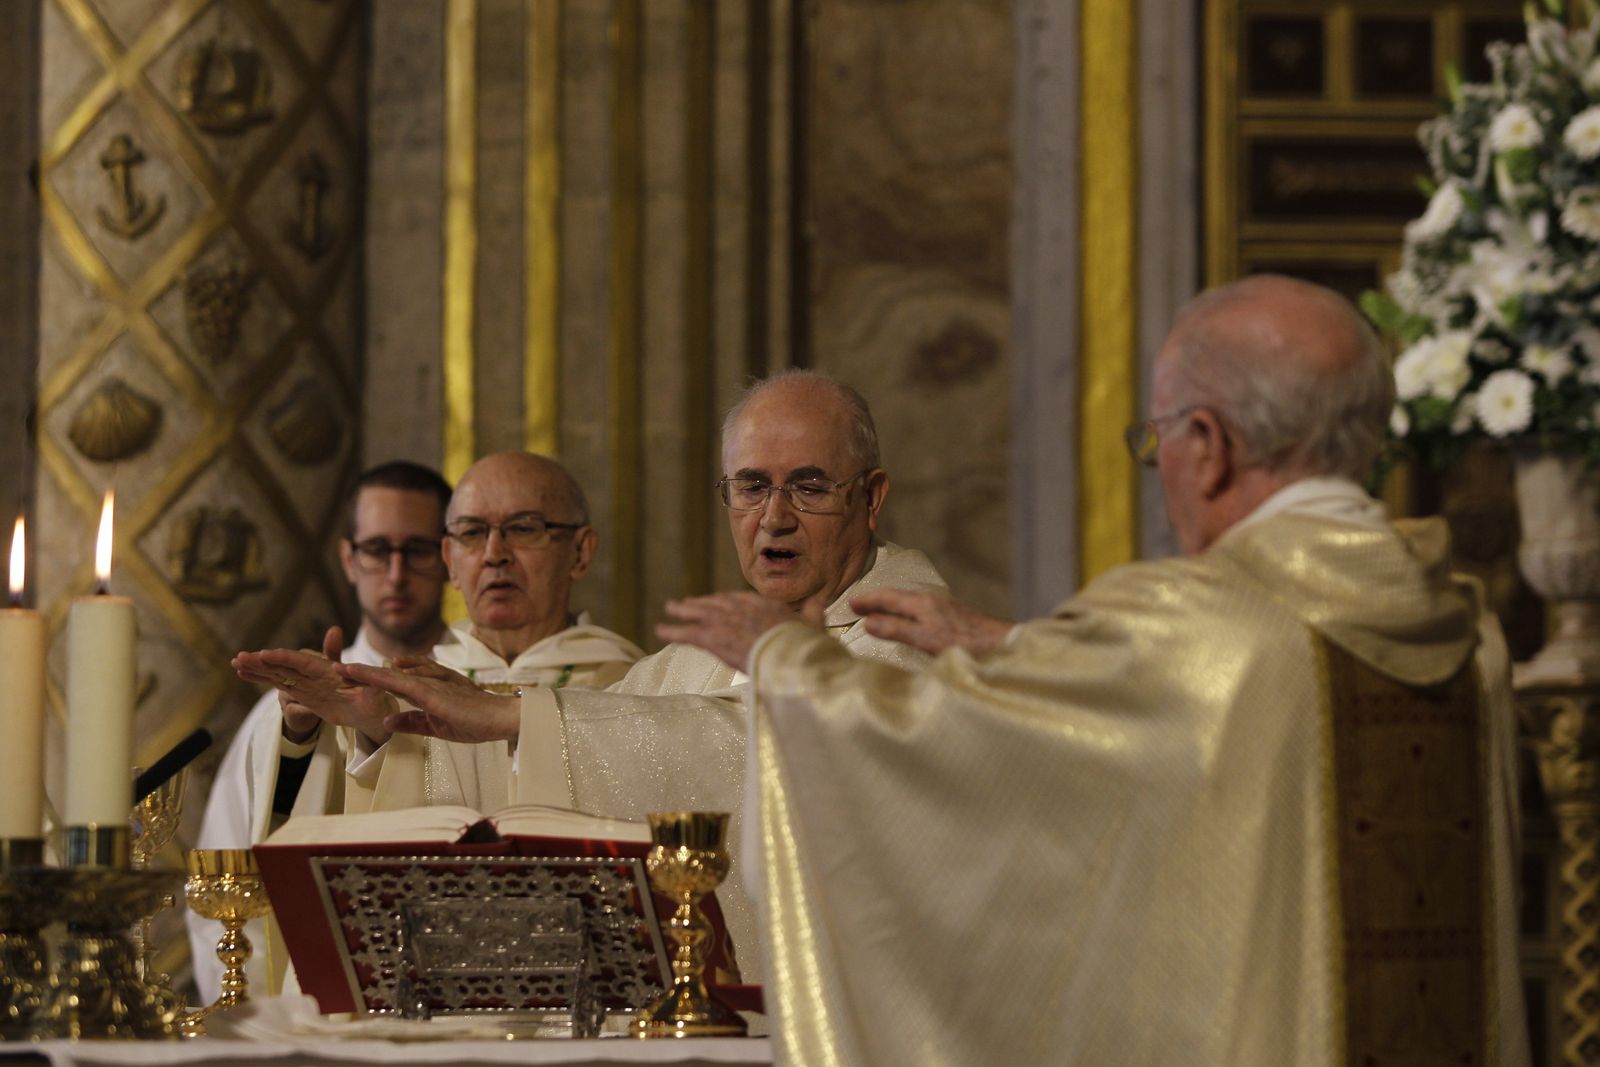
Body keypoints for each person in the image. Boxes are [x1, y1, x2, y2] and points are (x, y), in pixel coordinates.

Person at [658, 276, 1530, 1065]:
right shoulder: (1461, 624)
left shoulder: (1200, 621)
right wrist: (1005, 644)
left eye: (1156, 444)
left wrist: (782, 657)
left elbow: (942, 769)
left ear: (1211, 445)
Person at [341, 371, 948, 981]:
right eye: (751, 487)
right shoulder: (691, 663)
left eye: (809, 487)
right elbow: (562, 772)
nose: (774, 518)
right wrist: (393, 732)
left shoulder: (916, 637)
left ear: (871, 498)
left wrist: (520, 716)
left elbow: (779, 742)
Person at [231, 451, 643, 816]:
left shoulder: (632, 690)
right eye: (472, 533)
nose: (494, 554)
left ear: (580, 552)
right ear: (450, 561)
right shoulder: (408, 690)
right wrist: (308, 736)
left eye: (523, 528)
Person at [190, 459, 454, 1001]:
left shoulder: (479, 694)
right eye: (378, 550)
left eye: (418, 550)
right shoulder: (283, 713)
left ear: (449, 557)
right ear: (348, 559)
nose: (397, 574)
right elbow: (228, 877)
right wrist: (262, 1022)